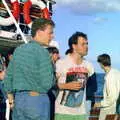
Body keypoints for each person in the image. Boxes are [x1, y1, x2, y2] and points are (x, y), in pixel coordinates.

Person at [4, 18, 56, 120]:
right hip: (37, 101)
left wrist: (11, 99)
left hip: (19, 101)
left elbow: (8, 77)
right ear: (39, 32)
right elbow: (47, 83)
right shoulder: (43, 52)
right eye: (50, 33)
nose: (52, 36)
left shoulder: (18, 50)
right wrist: (54, 75)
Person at [55, 32, 95, 120]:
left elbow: (92, 88)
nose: (86, 46)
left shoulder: (89, 66)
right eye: (83, 44)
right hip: (62, 112)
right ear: (74, 46)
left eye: (87, 43)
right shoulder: (61, 63)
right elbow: (50, 85)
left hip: (81, 113)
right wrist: (66, 86)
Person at [95, 54, 120, 120]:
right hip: (115, 108)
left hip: (109, 109)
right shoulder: (116, 72)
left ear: (101, 64)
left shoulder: (109, 76)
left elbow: (112, 97)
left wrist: (100, 104)